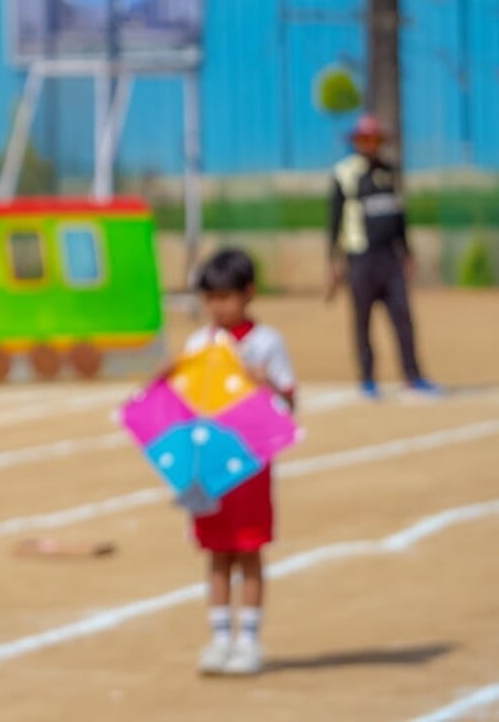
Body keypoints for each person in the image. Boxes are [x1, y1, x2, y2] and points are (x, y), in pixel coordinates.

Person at [178, 249, 296, 677]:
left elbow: (289, 402)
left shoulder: (267, 343)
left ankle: (249, 641)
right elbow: (184, 402)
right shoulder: (199, 343)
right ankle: (219, 639)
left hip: (251, 464)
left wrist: (265, 384)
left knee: (248, 550)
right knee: (216, 552)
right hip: (209, 465)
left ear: (248, 294)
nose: (217, 307)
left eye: (226, 297)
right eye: (210, 298)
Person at [327, 114, 441, 398]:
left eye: (374, 139)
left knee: (403, 317)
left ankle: (412, 375)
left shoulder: (389, 172)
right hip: (360, 258)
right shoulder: (345, 173)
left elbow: (399, 217)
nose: (370, 145)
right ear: (355, 142)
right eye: (364, 139)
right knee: (362, 321)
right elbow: (334, 220)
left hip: (389, 259)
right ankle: (367, 379)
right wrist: (332, 260)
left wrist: (408, 253)